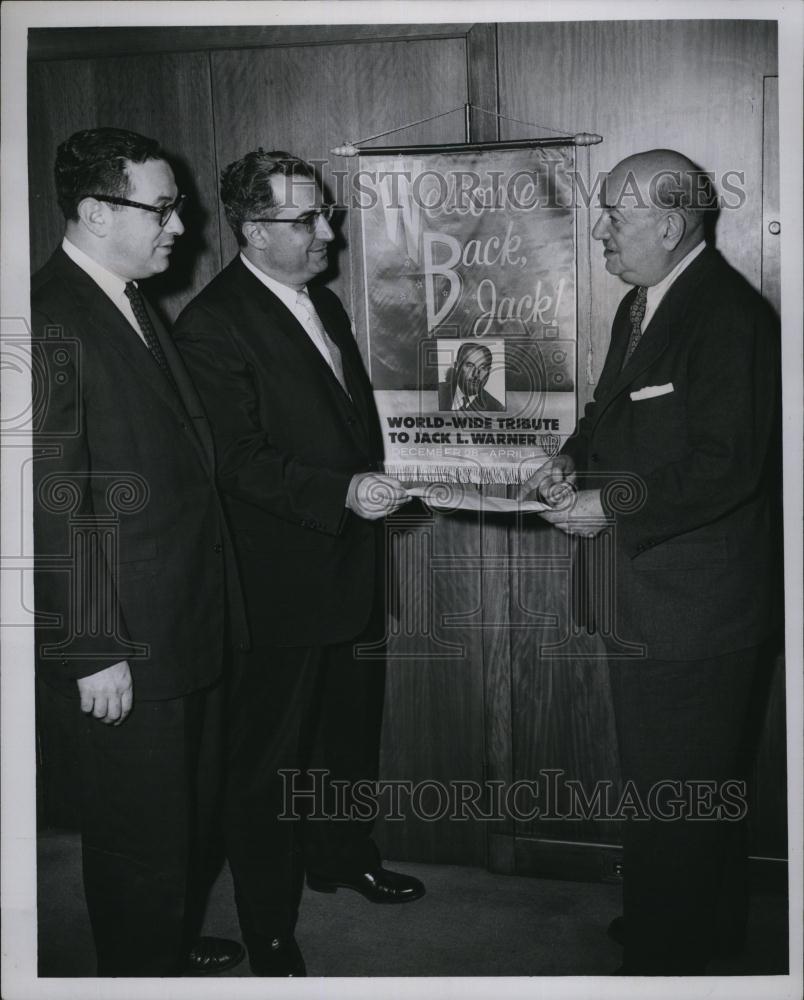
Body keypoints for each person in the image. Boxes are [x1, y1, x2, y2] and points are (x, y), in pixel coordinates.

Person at [522, 149, 781, 975]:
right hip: (650, 597)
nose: (601, 230)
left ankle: (679, 959)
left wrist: (611, 505)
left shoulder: (728, 315)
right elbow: (607, 415)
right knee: (667, 786)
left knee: (683, 794)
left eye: (614, 217)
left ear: (669, 226)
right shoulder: (644, 302)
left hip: (695, 608)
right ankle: (672, 922)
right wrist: (569, 460)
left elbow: (728, 464)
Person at [173, 149, 424, 977]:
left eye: (326, 215)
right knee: (269, 767)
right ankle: (268, 927)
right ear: (252, 231)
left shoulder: (317, 302)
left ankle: (341, 857)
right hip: (278, 590)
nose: (327, 232)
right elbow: (236, 461)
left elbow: (348, 427)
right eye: (305, 219)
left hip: (349, 572)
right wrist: (344, 493)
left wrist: (388, 481)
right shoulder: (213, 323)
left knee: (346, 738)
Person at [31, 127, 248, 977]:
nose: (180, 224)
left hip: (181, 619)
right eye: (160, 207)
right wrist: (92, 649)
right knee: (137, 839)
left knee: (179, 822)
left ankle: (164, 944)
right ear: (93, 212)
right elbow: (52, 500)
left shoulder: (126, 298)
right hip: (124, 640)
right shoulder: (50, 317)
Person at [438, 341, 505, 411]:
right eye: (470, 366)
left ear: (489, 371)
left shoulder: (497, 408)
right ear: (456, 366)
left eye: (483, 368)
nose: (476, 374)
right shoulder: (437, 392)